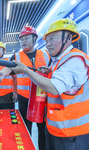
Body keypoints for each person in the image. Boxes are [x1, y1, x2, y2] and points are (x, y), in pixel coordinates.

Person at [8, 18, 89, 150]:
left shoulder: (75, 60)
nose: (48, 44)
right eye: (46, 41)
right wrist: (49, 72)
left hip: (71, 131)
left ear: (68, 38)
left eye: (52, 39)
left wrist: (25, 70)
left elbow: (54, 87)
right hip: (54, 122)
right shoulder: (58, 60)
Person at [0, 26, 51, 150]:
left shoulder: (45, 54)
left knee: (43, 130)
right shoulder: (17, 56)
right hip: (24, 99)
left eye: (26, 38)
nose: (23, 42)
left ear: (34, 39)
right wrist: (2, 74)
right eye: (21, 39)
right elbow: (8, 67)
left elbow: (53, 70)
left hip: (43, 99)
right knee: (25, 128)